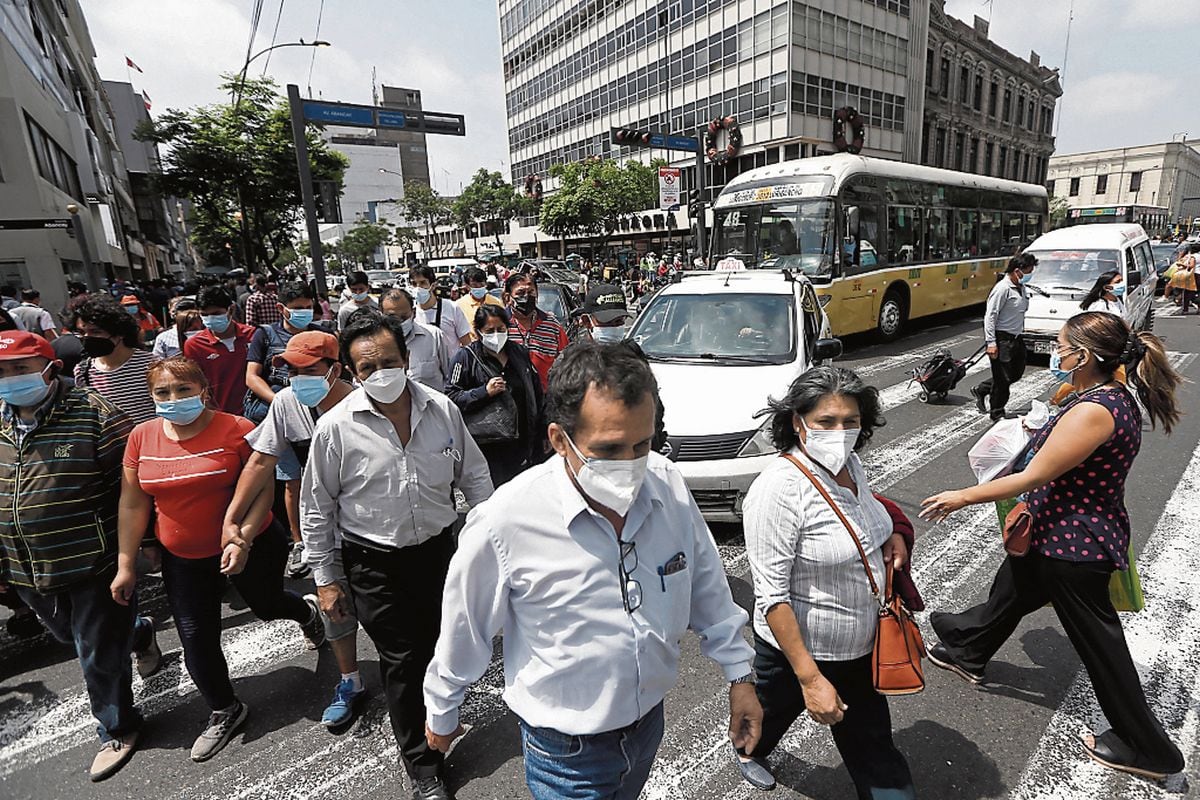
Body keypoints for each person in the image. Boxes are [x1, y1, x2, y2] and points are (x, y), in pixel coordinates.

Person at [425, 342, 762, 799]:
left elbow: (706, 584)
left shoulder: (665, 483)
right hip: (565, 755)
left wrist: (740, 676)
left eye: (642, 445)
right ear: (560, 440)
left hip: (648, 729)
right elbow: (465, 628)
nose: (631, 466)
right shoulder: (506, 522)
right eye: (608, 450)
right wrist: (443, 713)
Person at [920, 311, 1185, 782]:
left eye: (1062, 347)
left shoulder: (1095, 410)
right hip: (1055, 534)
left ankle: (1149, 750)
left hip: (1073, 547)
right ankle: (967, 648)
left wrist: (960, 497)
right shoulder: (1102, 396)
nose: (1055, 353)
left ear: (1084, 355)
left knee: (1103, 650)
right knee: (1013, 590)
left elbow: (1035, 474)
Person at [301, 313, 493, 800]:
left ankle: (440, 719)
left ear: (406, 359)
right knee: (402, 659)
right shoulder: (335, 428)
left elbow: (473, 477)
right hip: (373, 563)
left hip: (436, 552)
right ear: (350, 372)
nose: (381, 371)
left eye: (389, 361)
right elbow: (317, 507)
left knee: (442, 644)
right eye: (368, 367)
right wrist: (326, 578)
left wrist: (490, 537)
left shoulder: (443, 410)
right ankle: (423, 765)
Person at [111, 356, 326, 763]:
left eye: (183, 390)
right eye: (162, 392)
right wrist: (126, 564)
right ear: (151, 395)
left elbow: (262, 485)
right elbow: (132, 503)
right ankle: (225, 708)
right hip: (183, 557)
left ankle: (307, 614)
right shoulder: (141, 437)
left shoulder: (237, 428)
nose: (173, 399)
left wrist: (242, 537)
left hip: (254, 544)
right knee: (196, 638)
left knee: (267, 605)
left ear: (203, 390)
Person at [738, 366, 915, 796]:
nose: (840, 432)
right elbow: (772, 596)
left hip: (860, 645)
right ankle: (747, 752)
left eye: (850, 422)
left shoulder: (853, 465)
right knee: (768, 717)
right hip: (794, 652)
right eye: (826, 422)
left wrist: (891, 533)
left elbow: (863, 513)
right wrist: (811, 679)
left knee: (875, 750)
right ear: (798, 423)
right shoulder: (777, 490)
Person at [0, 330, 159, 782]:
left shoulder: (96, 416)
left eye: (20, 369)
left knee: (93, 651)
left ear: (49, 368)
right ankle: (138, 633)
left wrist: (133, 554)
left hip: (91, 561)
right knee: (70, 638)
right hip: (25, 565)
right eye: (2, 372)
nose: (10, 380)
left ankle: (118, 727)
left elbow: (131, 493)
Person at [223, 331, 367, 728]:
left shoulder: (364, 400)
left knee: (387, 608)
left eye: (309, 370)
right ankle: (350, 681)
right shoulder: (288, 403)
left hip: (372, 523)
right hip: (323, 525)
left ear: (335, 369)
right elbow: (260, 461)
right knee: (334, 606)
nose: (297, 378)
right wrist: (232, 518)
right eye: (291, 370)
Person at [445, 305, 543, 487]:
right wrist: (483, 392)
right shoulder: (465, 358)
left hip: (522, 443)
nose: (496, 335)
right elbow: (451, 396)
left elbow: (536, 391)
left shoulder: (519, 353)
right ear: (478, 332)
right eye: (490, 331)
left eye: (501, 329)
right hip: (486, 447)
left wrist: (542, 431)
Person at [244, 280, 327, 423]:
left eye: (308, 307)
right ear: (281, 309)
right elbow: (252, 376)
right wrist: (279, 402)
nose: (305, 312)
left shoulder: (324, 335)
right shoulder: (264, 335)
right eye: (298, 308)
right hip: (276, 413)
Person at [73, 294, 158, 425]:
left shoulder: (152, 365)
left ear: (119, 332)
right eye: (81, 332)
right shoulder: (83, 371)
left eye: (95, 332)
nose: (87, 338)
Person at [972, 253, 1037, 421]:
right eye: (1029, 271)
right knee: (1003, 380)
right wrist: (991, 342)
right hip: (1002, 339)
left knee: (1016, 373)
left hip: (1016, 338)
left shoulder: (1021, 287)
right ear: (1017, 271)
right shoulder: (1002, 289)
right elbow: (990, 316)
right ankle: (997, 413)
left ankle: (982, 389)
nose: (1030, 274)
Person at [184, 286, 257, 415]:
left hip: (257, 413)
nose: (210, 319)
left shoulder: (253, 335)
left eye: (216, 313)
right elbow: (196, 384)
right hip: (221, 416)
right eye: (205, 315)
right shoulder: (194, 345)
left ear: (231, 309)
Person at [505, 273, 568, 391]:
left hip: (546, 398)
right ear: (508, 298)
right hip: (511, 400)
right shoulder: (500, 326)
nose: (526, 297)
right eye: (520, 293)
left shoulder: (552, 325)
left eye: (531, 292)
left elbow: (566, 361)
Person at [381, 289, 453, 392]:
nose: (399, 322)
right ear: (381, 315)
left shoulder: (434, 337)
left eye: (403, 317)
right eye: (392, 317)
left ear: (413, 313)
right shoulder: (374, 345)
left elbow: (448, 377)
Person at [409, 266, 472, 355]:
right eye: (414, 284)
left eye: (423, 283)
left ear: (433, 285)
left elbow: (467, 343)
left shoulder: (452, 308)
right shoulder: (410, 313)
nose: (418, 288)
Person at [454, 266, 504, 336]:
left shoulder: (496, 302)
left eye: (481, 284)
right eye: (474, 285)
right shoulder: (459, 305)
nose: (479, 287)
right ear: (467, 286)